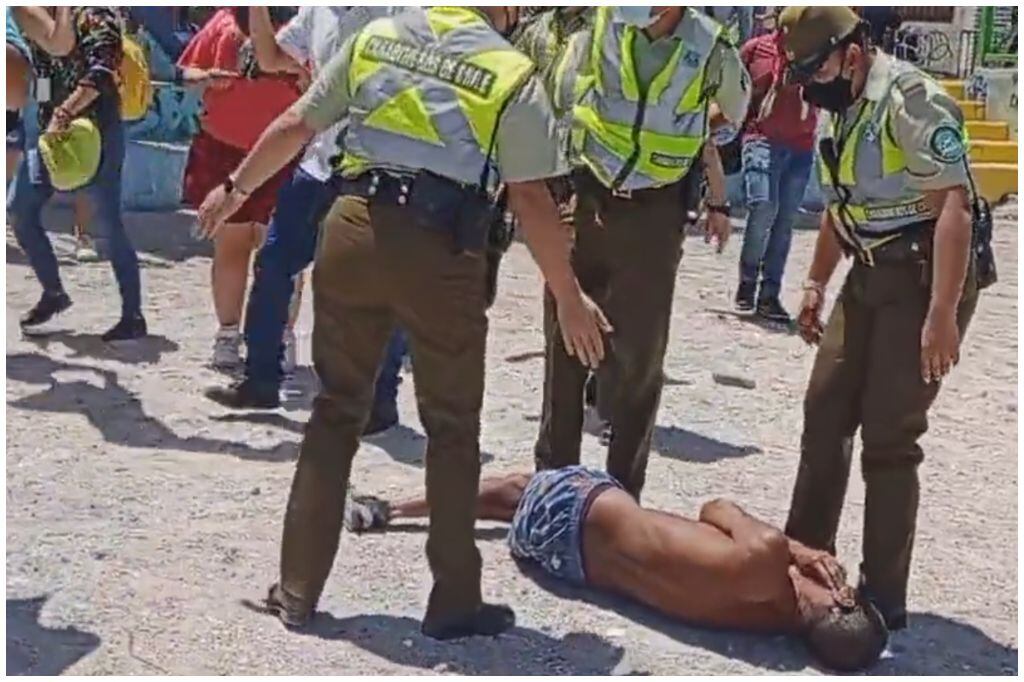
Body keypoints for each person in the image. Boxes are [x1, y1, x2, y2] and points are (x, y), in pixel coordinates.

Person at [198, 5, 609, 639]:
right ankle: (452, 603)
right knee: (451, 427)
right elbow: (530, 198)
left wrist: (233, 187)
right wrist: (569, 295)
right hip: (442, 253)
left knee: (336, 410)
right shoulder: (508, 71)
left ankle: (298, 589)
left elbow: (295, 124)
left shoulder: (377, 37)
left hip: (353, 228)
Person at [779, 6, 980, 633]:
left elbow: (955, 207)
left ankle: (883, 596)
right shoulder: (843, 106)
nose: (810, 84)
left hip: (925, 274)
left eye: (816, 69)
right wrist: (816, 282)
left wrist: (942, 315)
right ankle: (804, 565)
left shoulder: (910, 98)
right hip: (869, 268)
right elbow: (844, 205)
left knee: (891, 434)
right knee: (826, 408)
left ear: (852, 52)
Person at [343, 465, 889, 672]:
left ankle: (391, 507)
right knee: (513, 504)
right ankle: (401, 508)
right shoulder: (767, 623)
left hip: (579, 509)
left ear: (841, 599)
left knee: (513, 488)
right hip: (568, 564)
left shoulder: (769, 555)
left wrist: (797, 551)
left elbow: (716, 508)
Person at [533, 6, 750, 499]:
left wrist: (693, 139)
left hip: (655, 213)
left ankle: (621, 497)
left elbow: (734, 112)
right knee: (564, 344)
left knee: (640, 359)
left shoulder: (711, 45)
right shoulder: (600, 21)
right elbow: (559, 93)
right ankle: (551, 486)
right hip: (584, 195)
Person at [203, 6, 409, 435]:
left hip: (378, 166)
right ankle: (260, 380)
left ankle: (381, 400)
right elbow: (272, 58)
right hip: (319, 161)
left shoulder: (403, 11)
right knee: (276, 262)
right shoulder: (319, 9)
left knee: (380, 286)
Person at [8, 7, 145, 340]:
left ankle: (133, 315)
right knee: (19, 209)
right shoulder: (39, 20)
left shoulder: (97, 14)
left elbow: (101, 72)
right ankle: (54, 293)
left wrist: (66, 111)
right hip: (52, 132)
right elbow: (40, 71)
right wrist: (43, 118)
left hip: (97, 130)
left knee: (108, 221)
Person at [178, 8, 301, 371]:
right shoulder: (224, 22)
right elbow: (185, 72)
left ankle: (280, 335)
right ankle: (228, 333)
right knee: (230, 246)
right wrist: (206, 78)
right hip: (223, 148)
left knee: (279, 251)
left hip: (285, 153)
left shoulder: (303, 24)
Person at [733, 18, 819, 321]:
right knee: (763, 208)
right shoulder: (757, 49)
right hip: (761, 139)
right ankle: (747, 284)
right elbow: (730, 87)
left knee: (784, 223)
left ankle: (769, 294)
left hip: (800, 147)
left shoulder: (817, 51)